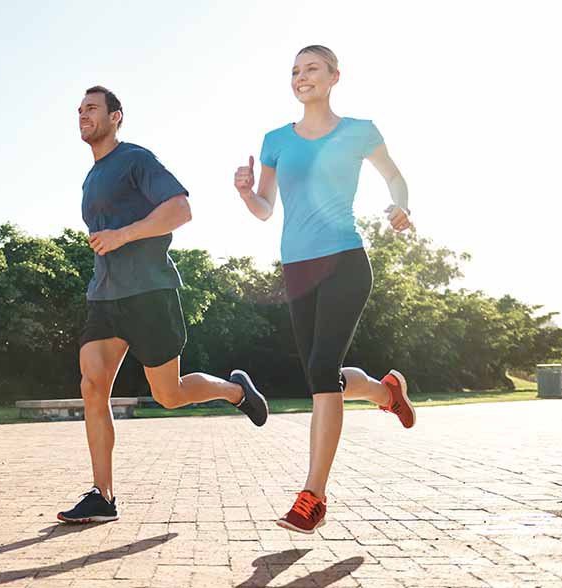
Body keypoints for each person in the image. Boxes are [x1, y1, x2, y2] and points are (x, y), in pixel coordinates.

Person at [57, 85, 270, 524]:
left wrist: (122, 235)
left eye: (92, 108)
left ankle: (234, 391)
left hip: (150, 292)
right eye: (79, 110)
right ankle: (103, 495)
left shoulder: (136, 159)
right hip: (105, 295)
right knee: (92, 387)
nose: (83, 115)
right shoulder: (90, 177)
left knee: (168, 395)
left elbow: (180, 210)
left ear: (116, 116)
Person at [232, 46, 416, 534]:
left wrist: (400, 207)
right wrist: (247, 192)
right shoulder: (275, 140)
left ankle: (312, 496)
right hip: (297, 269)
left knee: (320, 370)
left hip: (344, 262)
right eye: (294, 70)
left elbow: (394, 176)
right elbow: (266, 208)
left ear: (334, 76)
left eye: (312, 68)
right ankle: (385, 391)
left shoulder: (359, 131)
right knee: (323, 374)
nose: (301, 76)